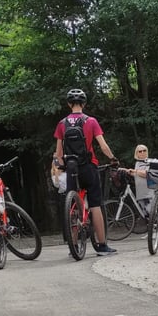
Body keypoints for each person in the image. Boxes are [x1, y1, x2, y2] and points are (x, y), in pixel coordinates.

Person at [52, 88, 119, 256]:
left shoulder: (62, 124)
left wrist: (62, 167)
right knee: (96, 205)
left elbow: (59, 154)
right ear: (84, 104)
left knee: (73, 207)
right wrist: (113, 159)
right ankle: (102, 246)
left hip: (71, 168)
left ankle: (73, 246)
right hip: (89, 167)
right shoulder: (91, 121)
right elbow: (103, 146)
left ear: (68, 104)